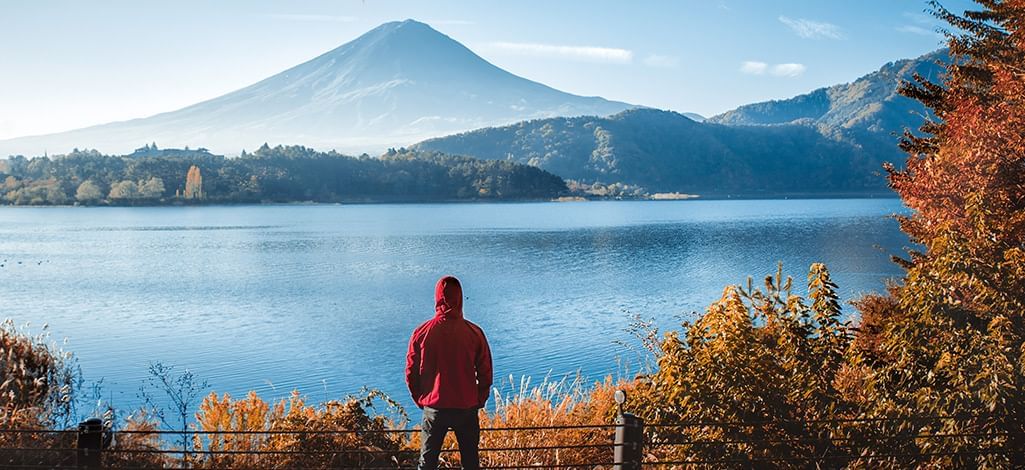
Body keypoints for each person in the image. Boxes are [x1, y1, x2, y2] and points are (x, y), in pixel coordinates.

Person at [406, 275, 493, 470]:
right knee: (470, 462)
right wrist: (479, 399)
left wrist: (421, 399)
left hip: (434, 408)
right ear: (460, 297)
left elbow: (411, 373)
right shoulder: (474, 333)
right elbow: (486, 373)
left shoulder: (421, 333)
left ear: (437, 298)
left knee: (427, 463)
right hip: (466, 407)